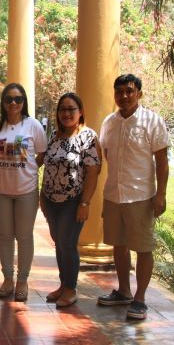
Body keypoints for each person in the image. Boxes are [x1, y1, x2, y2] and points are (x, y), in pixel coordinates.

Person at [98, 74, 169, 321]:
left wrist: (161, 194)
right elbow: (107, 154)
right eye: (119, 91)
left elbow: (162, 162)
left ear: (139, 92)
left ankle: (140, 298)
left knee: (143, 248)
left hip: (141, 196)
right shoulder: (109, 122)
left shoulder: (152, 121)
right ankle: (124, 291)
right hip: (114, 194)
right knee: (118, 245)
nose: (124, 96)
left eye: (129, 90)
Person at [40, 93, 102, 308]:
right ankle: (63, 284)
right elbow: (47, 167)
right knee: (59, 242)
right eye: (62, 109)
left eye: (71, 109)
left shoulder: (87, 136)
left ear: (80, 111)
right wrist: (42, 197)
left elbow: (93, 172)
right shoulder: (55, 136)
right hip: (51, 200)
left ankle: (71, 289)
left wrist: (85, 203)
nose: (66, 113)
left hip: (73, 200)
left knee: (67, 243)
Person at [0, 83, 47, 301]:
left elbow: (40, 155)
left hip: (26, 191)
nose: (13, 103)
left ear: (24, 102)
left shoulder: (33, 126)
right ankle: (8, 279)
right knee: (5, 236)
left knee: (24, 237)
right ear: (2, 102)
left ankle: (22, 280)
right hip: (1, 191)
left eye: (18, 99)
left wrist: (26, 170)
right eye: (9, 99)